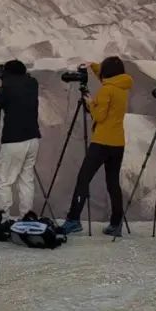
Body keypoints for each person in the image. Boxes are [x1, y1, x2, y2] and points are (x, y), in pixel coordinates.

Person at [61, 57, 133, 237]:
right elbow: (106, 77)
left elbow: (99, 116)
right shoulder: (123, 87)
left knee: (83, 179)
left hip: (101, 142)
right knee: (113, 183)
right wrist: (93, 66)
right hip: (118, 143)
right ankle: (116, 224)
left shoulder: (106, 90)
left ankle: (73, 220)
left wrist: (90, 102)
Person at [0, 60, 41, 217]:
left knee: (3, 181)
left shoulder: (6, 88)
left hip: (14, 140)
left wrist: (3, 81)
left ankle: (3, 218)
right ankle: (26, 217)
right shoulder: (32, 84)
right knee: (26, 180)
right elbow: (21, 82)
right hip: (33, 138)